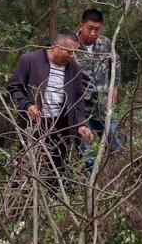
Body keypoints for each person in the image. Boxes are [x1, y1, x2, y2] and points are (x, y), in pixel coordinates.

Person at [8, 29, 93, 173]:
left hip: (62, 127)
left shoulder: (75, 69)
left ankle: (54, 194)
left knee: (57, 170)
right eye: (69, 51)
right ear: (55, 46)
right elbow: (15, 88)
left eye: (75, 52)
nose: (73, 56)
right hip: (34, 125)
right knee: (29, 167)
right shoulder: (29, 60)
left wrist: (81, 124)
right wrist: (28, 106)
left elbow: (79, 99)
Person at [75, 9, 122, 166]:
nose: (93, 33)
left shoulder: (105, 43)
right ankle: (87, 182)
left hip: (103, 105)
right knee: (85, 151)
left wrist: (115, 87)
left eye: (97, 29)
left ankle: (116, 174)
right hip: (82, 109)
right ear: (81, 25)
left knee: (115, 143)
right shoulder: (71, 45)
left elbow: (116, 63)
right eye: (89, 28)